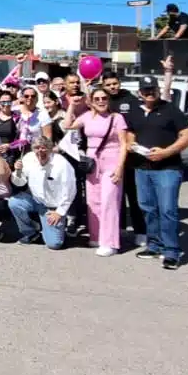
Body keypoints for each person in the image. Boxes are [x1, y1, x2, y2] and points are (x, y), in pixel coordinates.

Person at [123, 76, 188, 270]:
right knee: (147, 208)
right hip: (142, 167)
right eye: (145, 90)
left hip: (168, 168)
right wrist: (131, 143)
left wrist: (167, 152)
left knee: (168, 210)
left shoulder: (170, 109)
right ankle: (154, 245)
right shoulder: (135, 111)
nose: (149, 93)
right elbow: (130, 131)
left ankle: (171, 251)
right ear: (140, 93)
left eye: (152, 89)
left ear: (157, 89)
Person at [67, 87, 129, 257]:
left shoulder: (117, 118)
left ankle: (110, 243)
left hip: (112, 159)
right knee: (93, 200)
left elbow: (124, 144)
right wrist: (72, 106)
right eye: (97, 99)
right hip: (92, 162)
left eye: (104, 98)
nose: (101, 101)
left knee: (109, 201)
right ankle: (96, 236)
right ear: (91, 102)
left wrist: (119, 167)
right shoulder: (87, 116)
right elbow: (68, 126)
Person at [7, 135, 77, 248]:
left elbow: (70, 190)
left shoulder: (62, 164)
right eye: (36, 148)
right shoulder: (28, 158)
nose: (40, 151)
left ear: (50, 149)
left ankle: (53, 226)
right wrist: (18, 171)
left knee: (54, 244)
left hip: (52, 207)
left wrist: (60, 212)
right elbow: (19, 182)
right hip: (36, 200)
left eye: (44, 147)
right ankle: (31, 233)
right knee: (14, 202)